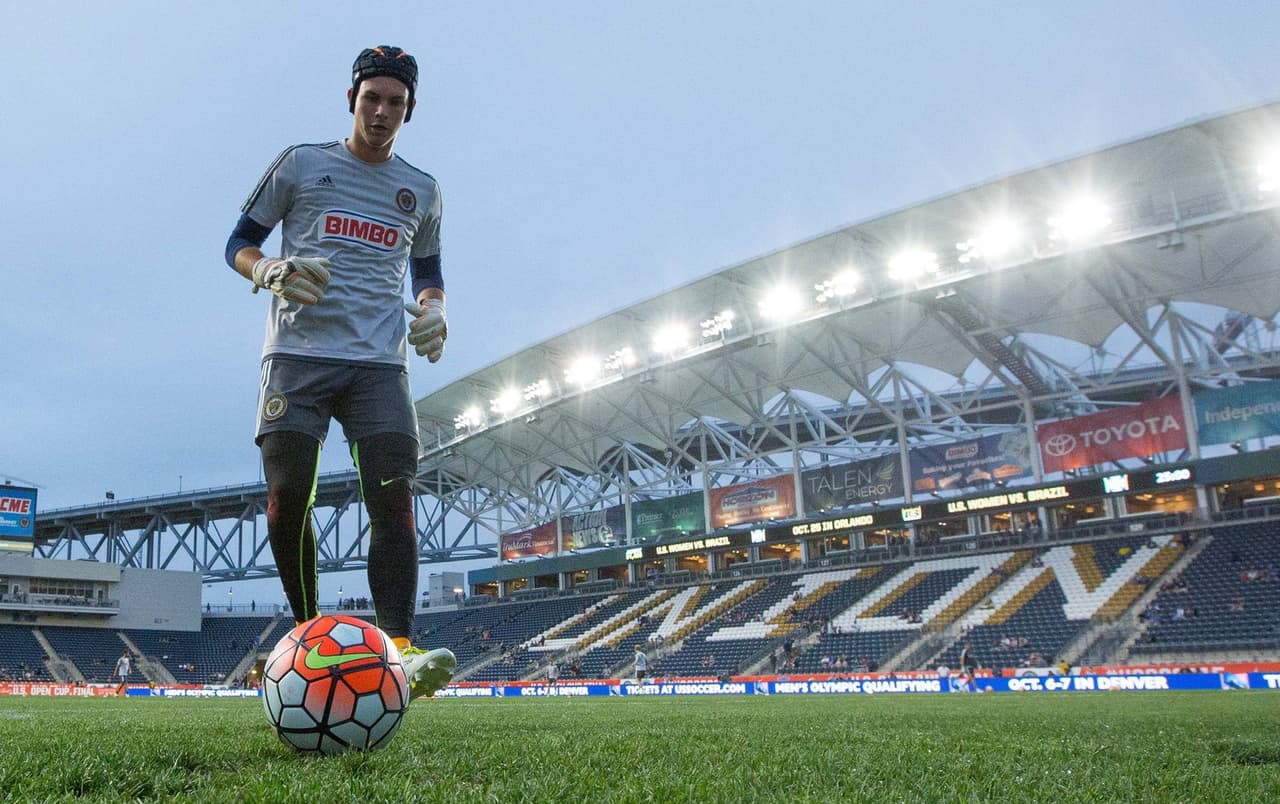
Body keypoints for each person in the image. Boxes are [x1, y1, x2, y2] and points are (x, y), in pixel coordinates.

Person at [223, 45, 454, 700]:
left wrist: (437, 313)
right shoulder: (302, 165)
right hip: (297, 357)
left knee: (394, 497)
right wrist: (266, 270)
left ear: (410, 111)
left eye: (396, 104)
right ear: (351, 98)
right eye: (372, 98)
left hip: (380, 364)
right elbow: (237, 242)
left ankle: (402, 651)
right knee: (286, 497)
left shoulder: (423, 190)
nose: (382, 113)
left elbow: (429, 274)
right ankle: (308, 636)